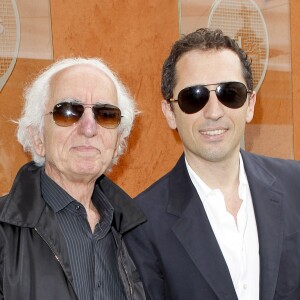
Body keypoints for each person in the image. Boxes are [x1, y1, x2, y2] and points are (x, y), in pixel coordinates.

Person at [125, 28, 300, 300]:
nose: (214, 112)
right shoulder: (142, 224)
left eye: (229, 93)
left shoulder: (295, 185)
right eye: (194, 97)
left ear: (250, 104)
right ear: (170, 112)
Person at [0, 57, 147, 300]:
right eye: (68, 112)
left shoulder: (137, 233)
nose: (89, 128)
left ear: (119, 141)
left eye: (106, 114)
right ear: (37, 136)